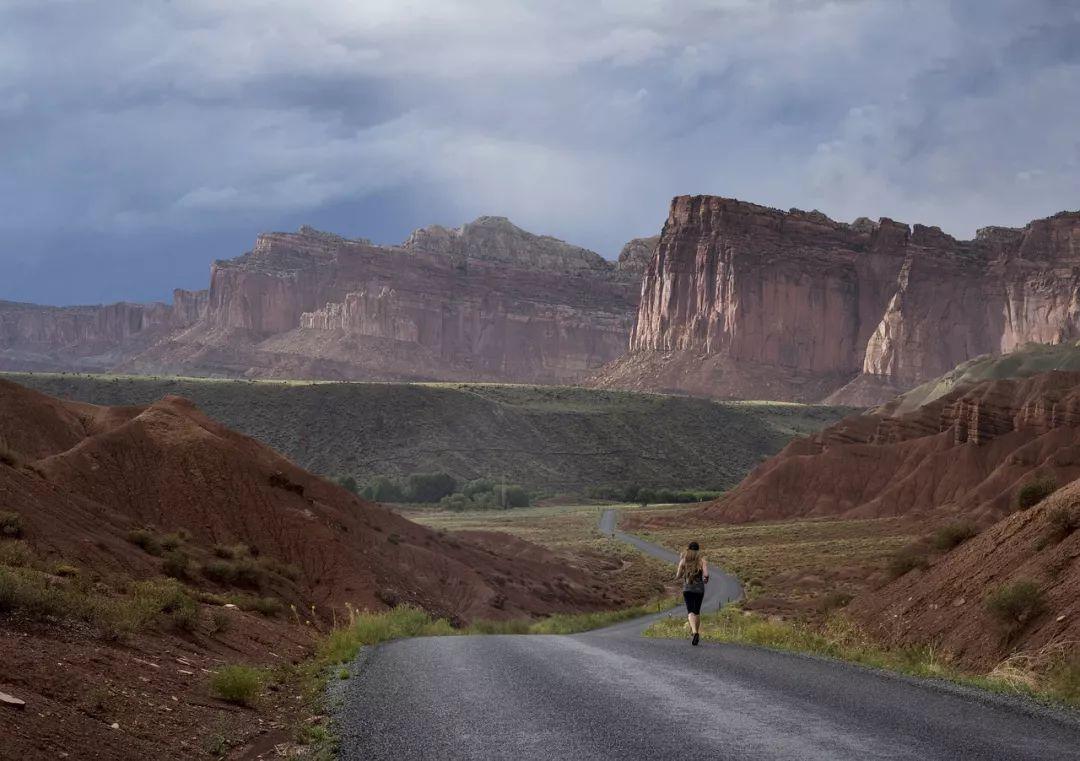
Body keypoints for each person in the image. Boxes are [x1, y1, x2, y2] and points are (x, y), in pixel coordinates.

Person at [675, 541, 708, 645]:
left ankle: (694, 633)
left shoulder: (683, 561)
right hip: (699, 589)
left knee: (690, 612)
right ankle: (696, 632)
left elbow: (678, 576)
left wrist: (680, 575)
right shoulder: (702, 561)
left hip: (687, 588)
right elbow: (706, 575)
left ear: (688, 549)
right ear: (698, 550)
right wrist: (706, 578)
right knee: (697, 611)